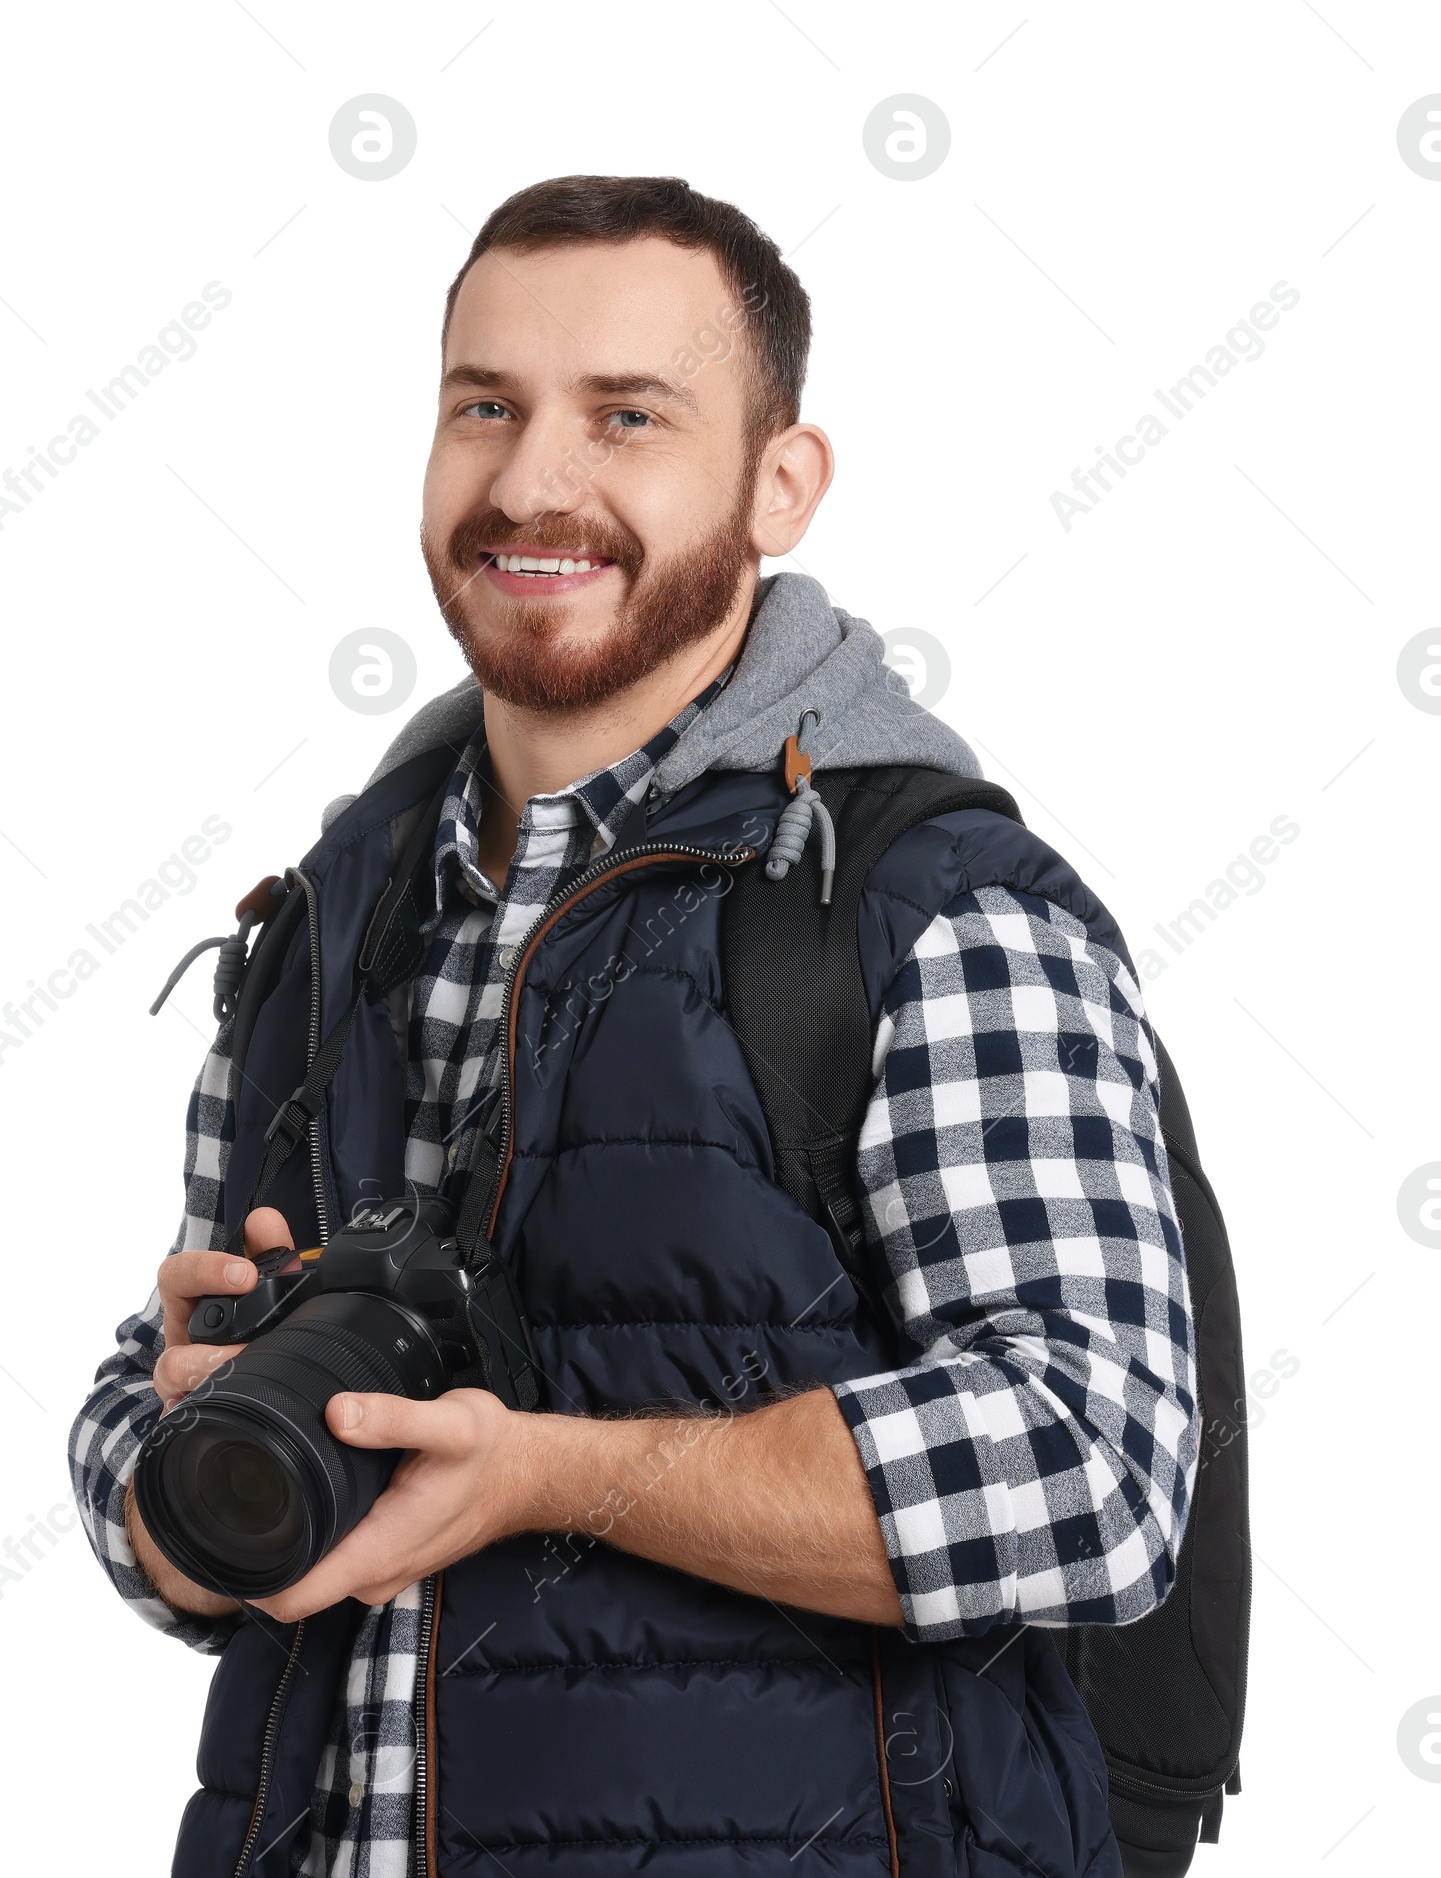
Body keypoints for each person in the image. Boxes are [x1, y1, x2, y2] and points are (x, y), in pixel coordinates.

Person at [70, 175, 1196, 1878]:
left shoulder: (921, 910)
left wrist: (556, 1475)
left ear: (780, 482)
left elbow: (1097, 1462)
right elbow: (145, 1419)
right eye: (485, 408)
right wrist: (177, 1467)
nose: (533, 483)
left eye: (628, 418)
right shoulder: (331, 912)